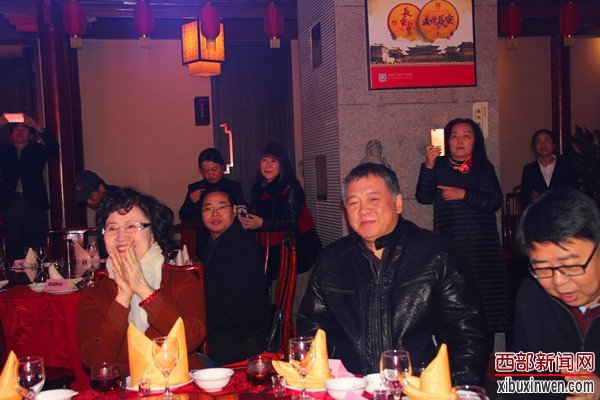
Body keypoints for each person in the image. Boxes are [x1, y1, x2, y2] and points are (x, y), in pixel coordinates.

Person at [298, 163, 488, 384]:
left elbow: (469, 334)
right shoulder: (331, 261)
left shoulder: (437, 254)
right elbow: (311, 331)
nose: (363, 210)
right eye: (353, 202)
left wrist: (454, 389)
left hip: (420, 388)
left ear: (398, 203)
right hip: (351, 387)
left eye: (373, 199)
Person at [77, 188, 207, 373]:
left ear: (152, 233)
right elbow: (96, 362)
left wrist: (144, 291)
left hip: (178, 381)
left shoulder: (182, 281)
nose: (121, 236)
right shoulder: (95, 294)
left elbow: (191, 340)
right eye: (112, 228)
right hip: (123, 386)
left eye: (131, 226)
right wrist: (122, 298)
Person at [415, 117, 509, 334]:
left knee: (489, 307)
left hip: (483, 247)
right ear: (447, 141)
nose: (459, 140)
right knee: (454, 304)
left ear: (475, 141)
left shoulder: (484, 168)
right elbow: (423, 197)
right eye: (454, 136)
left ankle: (491, 351)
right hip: (451, 246)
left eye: (466, 135)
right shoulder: (437, 166)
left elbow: (495, 201)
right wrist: (428, 165)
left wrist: (464, 194)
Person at [510, 189, 599, 400]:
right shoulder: (533, 295)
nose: (558, 281)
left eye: (571, 266)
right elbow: (522, 381)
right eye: (542, 268)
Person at [240, 143, 322, 323]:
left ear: (282, 164)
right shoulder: (257, 187)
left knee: (295, 301)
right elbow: (259, 217)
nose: (268, 165)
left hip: (297, 251)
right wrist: (247, 220)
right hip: (272, 252)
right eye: (264, 160)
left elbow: (292, 221)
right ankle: (279, 336)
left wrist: (262, 223)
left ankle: (299, 336)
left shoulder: (290, 186)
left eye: (273, 161)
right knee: (276, 300)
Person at [200, 187, 268, 365]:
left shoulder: (240, 247)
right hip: (227, 330)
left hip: (240, 340)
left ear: (234, 210)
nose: (215, 213)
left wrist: (193, 323)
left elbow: (228, 306)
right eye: (208, 208)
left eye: (221, 207)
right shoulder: (215, 241)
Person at [0, 114, 59, 265]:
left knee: (37, 244)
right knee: (12, 244)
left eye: (24, 129)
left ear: (31, 135)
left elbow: (53, 146)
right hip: (11, 203)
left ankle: (39, 275)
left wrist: (35, 125)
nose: (20, 131)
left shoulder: (37, 150)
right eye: (16, 129)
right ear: (11, 135)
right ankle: (14, 276)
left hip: (34, 204)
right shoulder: (4, 151)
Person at [178, 148, 245, 224]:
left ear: (222, 167)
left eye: (214, 169)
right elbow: (183, 216)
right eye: (206, 171)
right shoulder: (195, 188)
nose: (210, 174)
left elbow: (242, 213)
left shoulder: (234, 186)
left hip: (229, 228)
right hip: (203, 229)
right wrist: (191, 202)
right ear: (201, 170)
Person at [519, 129, 578, 210]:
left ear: (553, 144)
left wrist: (543, 200)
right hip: (538, 215)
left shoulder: (566, 167)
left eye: (546, 140)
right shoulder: (529, 170)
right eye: (538, 142)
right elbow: (525, 199)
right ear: (535, 147)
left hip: (563, 213)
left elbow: (573, 194)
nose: (543, 145)